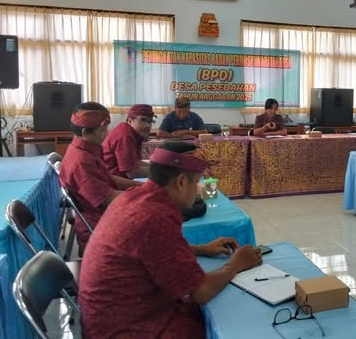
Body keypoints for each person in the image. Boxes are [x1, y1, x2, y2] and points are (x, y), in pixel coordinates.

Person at [79, 141, 261, 339]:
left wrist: (200, 249)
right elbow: (200, 292)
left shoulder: (133, 197)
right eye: (196, 182)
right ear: (181, 182)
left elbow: (150, 251)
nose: (197, 190)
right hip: (124, 328)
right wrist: (236, 265)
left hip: (105, 317)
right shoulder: (155, 218)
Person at [59, 102, 141, 253]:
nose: (107, 133)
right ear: (85, 132)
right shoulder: (81, 161)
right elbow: (109, 199)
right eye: (102, 130)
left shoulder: (85, 150)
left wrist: (143, 186)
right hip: (101, 229)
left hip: (105, 217)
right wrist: (148, 193)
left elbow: (109, 179)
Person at [103, 104, 154, 178]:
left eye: (150, 121)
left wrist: (158, 167)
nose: (148, 125)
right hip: (109, 180)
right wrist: (163, 172)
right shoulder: (125, 135)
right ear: (130, 120)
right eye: (143, 120)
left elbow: (135, 162)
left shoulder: (135, 133)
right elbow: (131, 172)